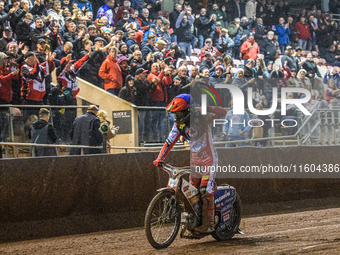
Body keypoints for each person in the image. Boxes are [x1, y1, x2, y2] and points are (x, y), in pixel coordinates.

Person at [153, 94, 227, 233]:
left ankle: (209, 224)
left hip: (209, 160)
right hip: (195, 161)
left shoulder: (203, 116)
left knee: (205, 190)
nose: (176, 116)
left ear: (188, 110)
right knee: (192, 192)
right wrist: (159, 158)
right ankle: (196, 219)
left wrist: (208, 108)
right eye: (175, 113)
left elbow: (224, 112)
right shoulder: (178, 125)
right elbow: (169, 142)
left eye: (179, 112)